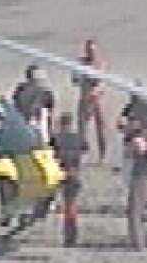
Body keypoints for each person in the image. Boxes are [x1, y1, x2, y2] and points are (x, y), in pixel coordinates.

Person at [49, 112, 87, 247]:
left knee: (55, 203)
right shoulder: (77, 138)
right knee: (71, 206)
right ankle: (71, 234)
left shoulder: (56, 138)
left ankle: (69, 235)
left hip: (59, 173)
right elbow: (85, 149)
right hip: (74, 173)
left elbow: (50, 153)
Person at [73, 38, 110, 165]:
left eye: (93, 50)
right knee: (82, 128)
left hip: (98, 100)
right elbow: (75, 80)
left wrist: (95, 87)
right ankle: (84, 153)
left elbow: (102, 81)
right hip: (84, 98)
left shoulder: (101, 63)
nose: (91, 53)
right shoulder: (81, 62)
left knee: (101, 128)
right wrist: (79, 73)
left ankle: (103, 154)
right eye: (89, 50)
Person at [12, 65, 55, 145]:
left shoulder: (20, 89)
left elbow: (48, 116)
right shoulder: (44, 93)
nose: (43, 79)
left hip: (28, 130)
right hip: (30, 130)